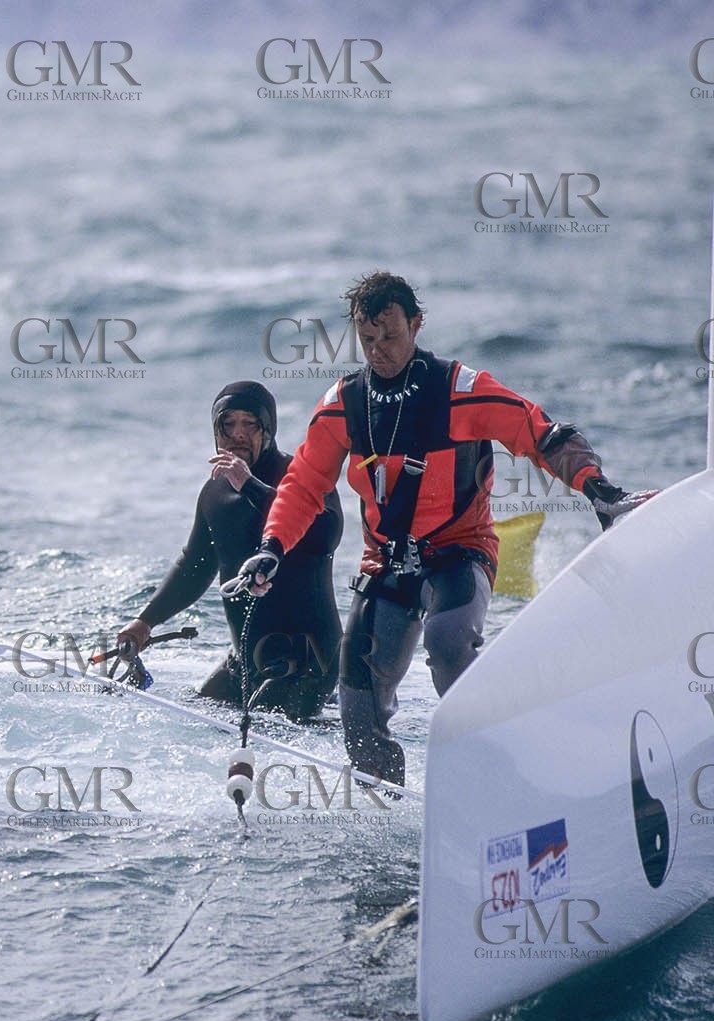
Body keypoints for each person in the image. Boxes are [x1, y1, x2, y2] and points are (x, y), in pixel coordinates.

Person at [230, 270, 653, 784]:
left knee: (448, 641)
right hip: (386, 564)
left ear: (416, 324)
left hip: (459, 553)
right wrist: (272, 546)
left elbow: (540, 435)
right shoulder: (344, 404)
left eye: (390, 336)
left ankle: (513, 771)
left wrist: (599, 490)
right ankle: (385, 805)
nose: (378, 351)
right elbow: (303, 485)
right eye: (367, 339)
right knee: (355, 693)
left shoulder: (460, 390)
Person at [117, 382, 342, 722]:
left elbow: (324, 535)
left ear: (268, 430)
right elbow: (194, 566)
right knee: (191, 725)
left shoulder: (300, 477)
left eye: (249, 423)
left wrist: (250, 486)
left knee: (267, 734)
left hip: (308, 661)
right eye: (228, 424)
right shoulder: (215, 491)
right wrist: (145, 622)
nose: (238, 433)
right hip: (243, 663)